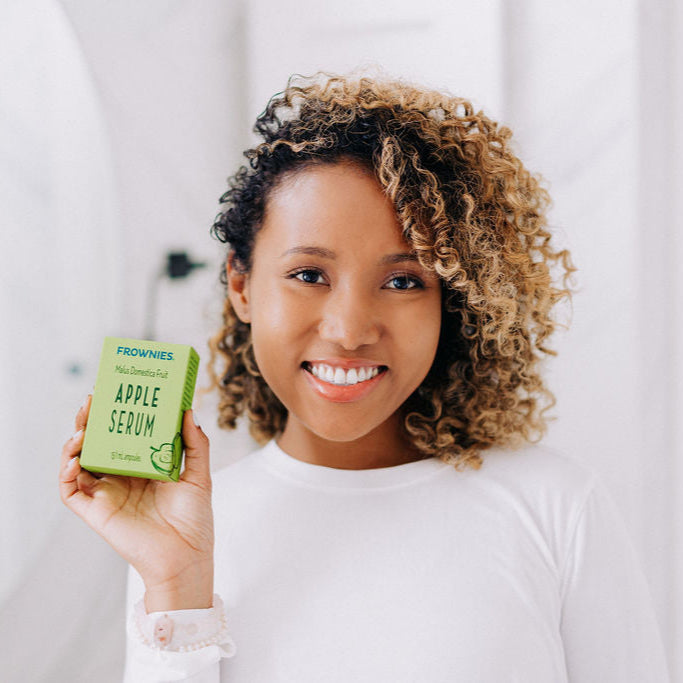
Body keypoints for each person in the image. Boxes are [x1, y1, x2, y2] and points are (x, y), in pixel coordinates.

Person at [59, 71, 670, 682]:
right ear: (241, 284)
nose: (350, 329)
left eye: (403, 281)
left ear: (450, 303)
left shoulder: (554, 507)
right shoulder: (188, 536)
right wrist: (176, 583)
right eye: (308, 275)